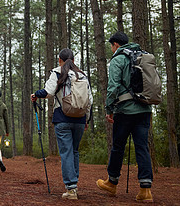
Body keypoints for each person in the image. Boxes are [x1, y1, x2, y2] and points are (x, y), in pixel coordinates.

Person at [96, 31, 153, 202]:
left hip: (125, 111)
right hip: (144, 110)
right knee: (142, 148)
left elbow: (113, 86)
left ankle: (111, 183)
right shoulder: (142, 56)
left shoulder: (118, 59)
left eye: (111, 46)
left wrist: (109, 108)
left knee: (118, 147)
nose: (111, 49)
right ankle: (146, 190)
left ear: (115, 45)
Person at [31, 48, 93, 200]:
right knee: (74, 152)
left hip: (62, 118)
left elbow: (49, 92)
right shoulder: (82, 75)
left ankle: (71, 188)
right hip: (79, 119)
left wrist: (35, 95)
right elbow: (89, 100)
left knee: (66, 152)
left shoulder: (57, 72)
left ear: (60, 59)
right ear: (73, 60)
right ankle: (73, 185)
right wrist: (87, 119)